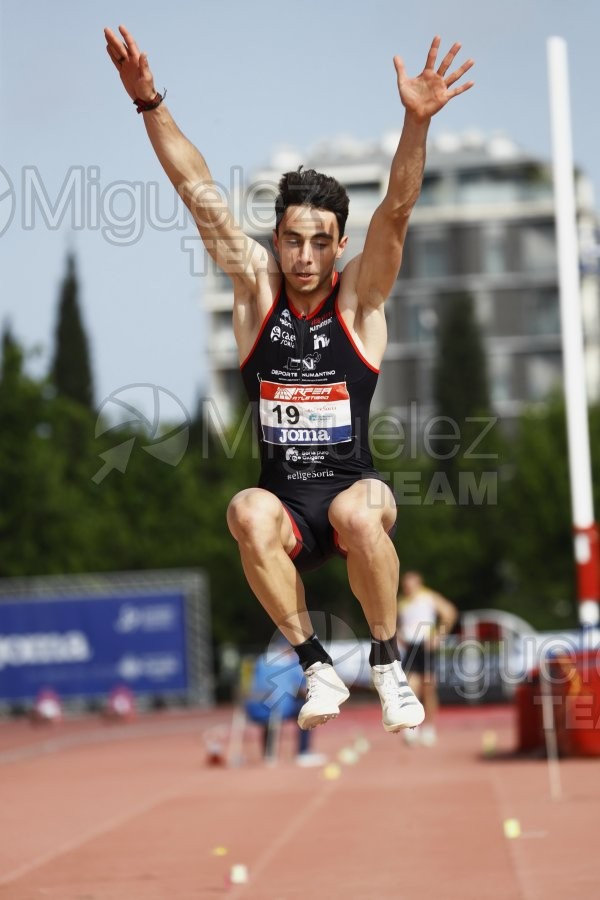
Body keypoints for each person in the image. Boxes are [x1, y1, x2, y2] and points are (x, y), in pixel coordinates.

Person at [104, 25, 474, 733]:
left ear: (339, 245)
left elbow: (396, 211)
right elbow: (195, 188)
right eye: (292, 240)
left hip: (354, 492)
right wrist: (148, 100)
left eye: (320, 241)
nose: (304, 255)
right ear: (278, 239)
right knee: (244, 510)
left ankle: (388, 662)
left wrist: (415, 121)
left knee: (357, 514)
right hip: (288, 509)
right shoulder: (254, 293)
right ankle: (315, 666)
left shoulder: (359, 301)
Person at [397, 571, 458, 745]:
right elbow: (394, 623)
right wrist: (399, 636)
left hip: (426, 644)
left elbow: (449, 612)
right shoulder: (401, 602)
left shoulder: (429, 597)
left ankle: (429, 727)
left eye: (411, 583)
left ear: (418, 582)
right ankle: (412, 727)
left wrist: (440, 634)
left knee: (428, 687)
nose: (407, 587)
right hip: (411, 646)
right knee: (410, 686)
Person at [245, 642, 327, 766]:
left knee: (270, 713)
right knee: (305, 709)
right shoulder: (291, 662)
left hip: (253, 709)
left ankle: (268, 754)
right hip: (279, 709)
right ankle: (303, 752)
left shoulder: (260, 661)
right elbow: (302, 689)